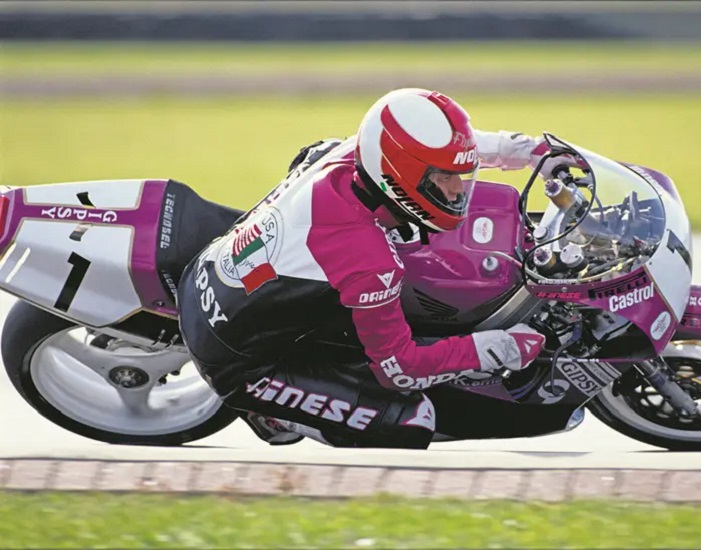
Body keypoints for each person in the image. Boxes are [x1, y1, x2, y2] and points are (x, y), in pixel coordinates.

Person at [176, 88, 582, 449]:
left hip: (213, 270)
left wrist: (526, 151)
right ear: (399, 175)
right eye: (445, 178)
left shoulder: (357, 153)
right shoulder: (368, 259)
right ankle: (274, 415)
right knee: (411, 420)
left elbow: (451, 150)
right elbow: (400, 369)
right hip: (240, 361)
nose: (459, 188)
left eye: (459, 174)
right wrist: (498, 348)